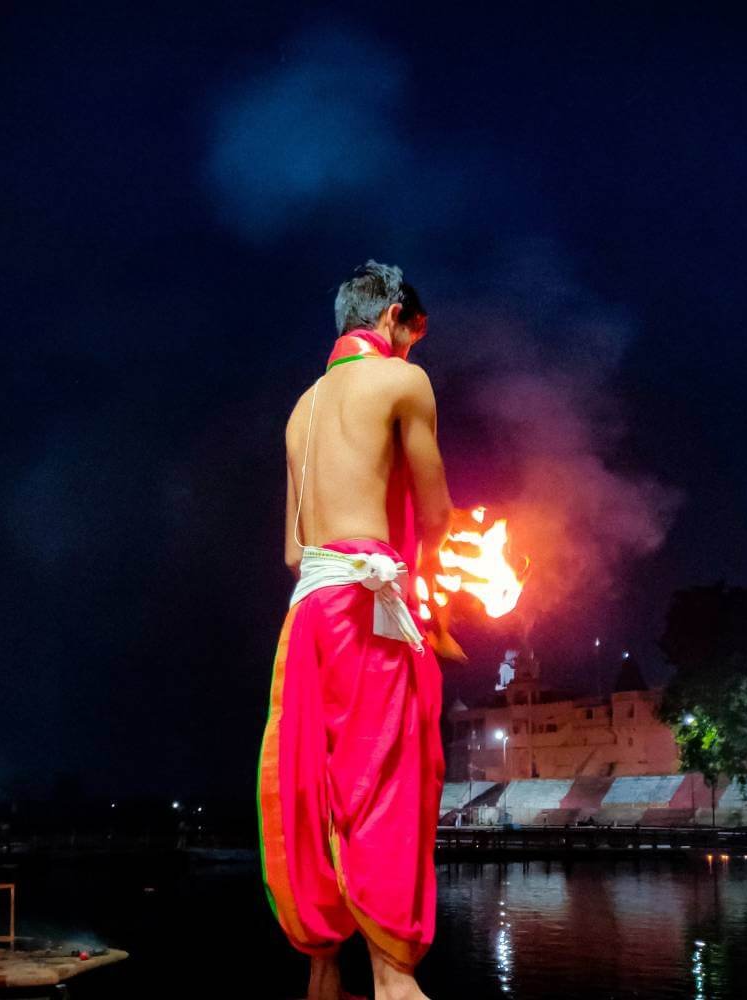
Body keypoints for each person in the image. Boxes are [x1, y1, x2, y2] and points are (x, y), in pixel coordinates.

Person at [258, 261, 453, 1000]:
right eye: (413, 337)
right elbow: (435, 515)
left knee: (313, 788)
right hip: (366, 608)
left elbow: (291, 550)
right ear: (394, 316)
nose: (413, 352)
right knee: (386, 780)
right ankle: (394, 977)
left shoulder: (301, 410)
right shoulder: (403, 382)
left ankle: (322, 964)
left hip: (307, 613)